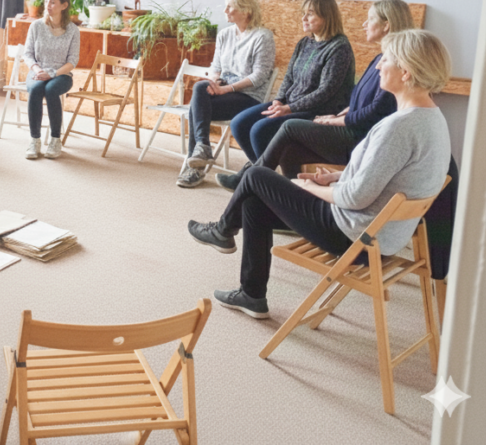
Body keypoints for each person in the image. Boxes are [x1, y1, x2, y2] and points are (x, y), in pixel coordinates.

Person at [187, 29, 451, 319]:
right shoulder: (433, 120)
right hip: (382, 236)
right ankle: (251, 294)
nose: (378, 66)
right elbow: (390, 176)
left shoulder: (397, 128)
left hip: (353, 235)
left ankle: (223, 231)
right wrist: (335, 178)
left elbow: (355, 198)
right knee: (254, 201)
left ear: (406, 72)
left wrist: (309, 188)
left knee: (255, 176)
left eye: (385, 60)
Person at [247, 0, 414, 182]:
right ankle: (279, 189)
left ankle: (252, 178)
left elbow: (376, 111)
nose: (364, 24)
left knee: (288, 126)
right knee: (288, 149)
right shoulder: (379, 58)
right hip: (351, 125)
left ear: (386, 25)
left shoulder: (393, 64)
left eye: (370, 19)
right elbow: (360, 97)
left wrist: (335, 120)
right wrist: (346, 111)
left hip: (360, 136)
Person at [220, 0, 355, 190]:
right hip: (289, 103)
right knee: (239, 123)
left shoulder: (339, 47)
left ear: (327, 17)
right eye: (303, 14)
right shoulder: (304, 43)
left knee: (260, 130)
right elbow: (289, 77)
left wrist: (289, 108)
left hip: (318, 110)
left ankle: (256, 181)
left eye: (310, 14)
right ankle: (258, 175)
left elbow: (325, 92)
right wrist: (278, 100)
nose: (304, 18)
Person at [177, 0, 276, 188]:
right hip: (224, 92)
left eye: (230, 7)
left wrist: (227, 89)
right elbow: (216, 68)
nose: (225, 11)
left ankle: (195, 167)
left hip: (248, 97)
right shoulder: (225, 34)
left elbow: (259, 76)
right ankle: (202, 147)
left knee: (196, 109)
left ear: (246, 10)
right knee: (201, 87)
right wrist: (215, 83)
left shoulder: (262, 37)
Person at [22, 0, 80, 160]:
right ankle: (35, 140)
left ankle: (55, 140)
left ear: (64, 6)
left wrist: (53, 73)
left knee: (51, 90)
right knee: (35, 89)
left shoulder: (73, 30)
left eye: (53, 2)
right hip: (38, 71)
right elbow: (28, 54)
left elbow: (72, 62)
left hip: (62, 74)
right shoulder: (36, 26)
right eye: (46, 1)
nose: (48, 5)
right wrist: (38, 70)